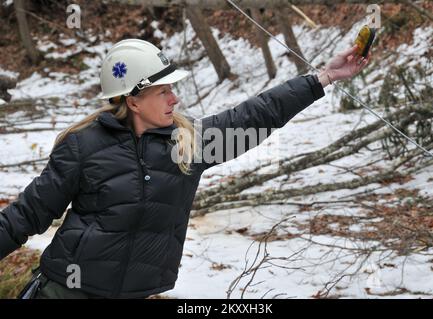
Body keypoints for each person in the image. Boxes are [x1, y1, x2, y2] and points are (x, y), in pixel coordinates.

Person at [0, 39, 370, 299]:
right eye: (163, 91)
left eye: (172, 88)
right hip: (66, 291)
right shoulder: (83, 146)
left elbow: (258, 115)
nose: (175, 98)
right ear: (133, 100)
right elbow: (27, 214)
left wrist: (323, 77)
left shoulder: (190, 143)